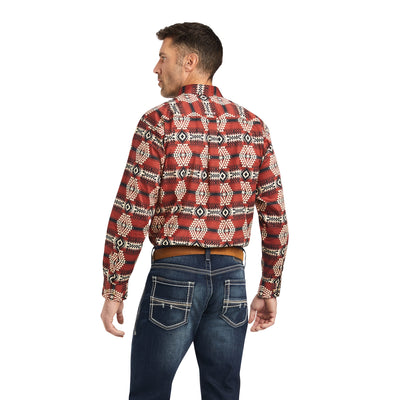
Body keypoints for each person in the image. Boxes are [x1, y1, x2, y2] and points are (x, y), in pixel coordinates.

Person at [101, 22, 288, 400]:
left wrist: (114, 287)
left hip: (174, 273)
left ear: (189, 61)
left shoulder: (159, 122)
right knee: (222, 393)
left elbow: (132, 209)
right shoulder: (254, 126)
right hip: (232, 278)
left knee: (149, 393)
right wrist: (269, 286)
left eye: (163, 58)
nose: (156, 68)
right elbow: (274, 217)